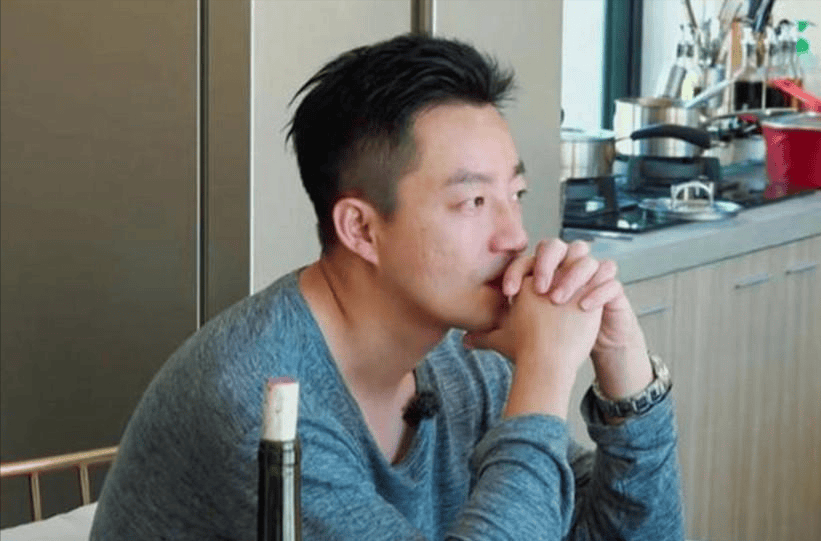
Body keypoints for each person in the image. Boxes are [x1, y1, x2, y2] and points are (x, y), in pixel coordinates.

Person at [91, 34, 684, 540]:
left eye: (516, 195)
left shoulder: (465, 363)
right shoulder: (261, 408)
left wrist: (625, 376)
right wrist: (545, 373)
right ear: (361, 229)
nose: (515, 236)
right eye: (474, 202)